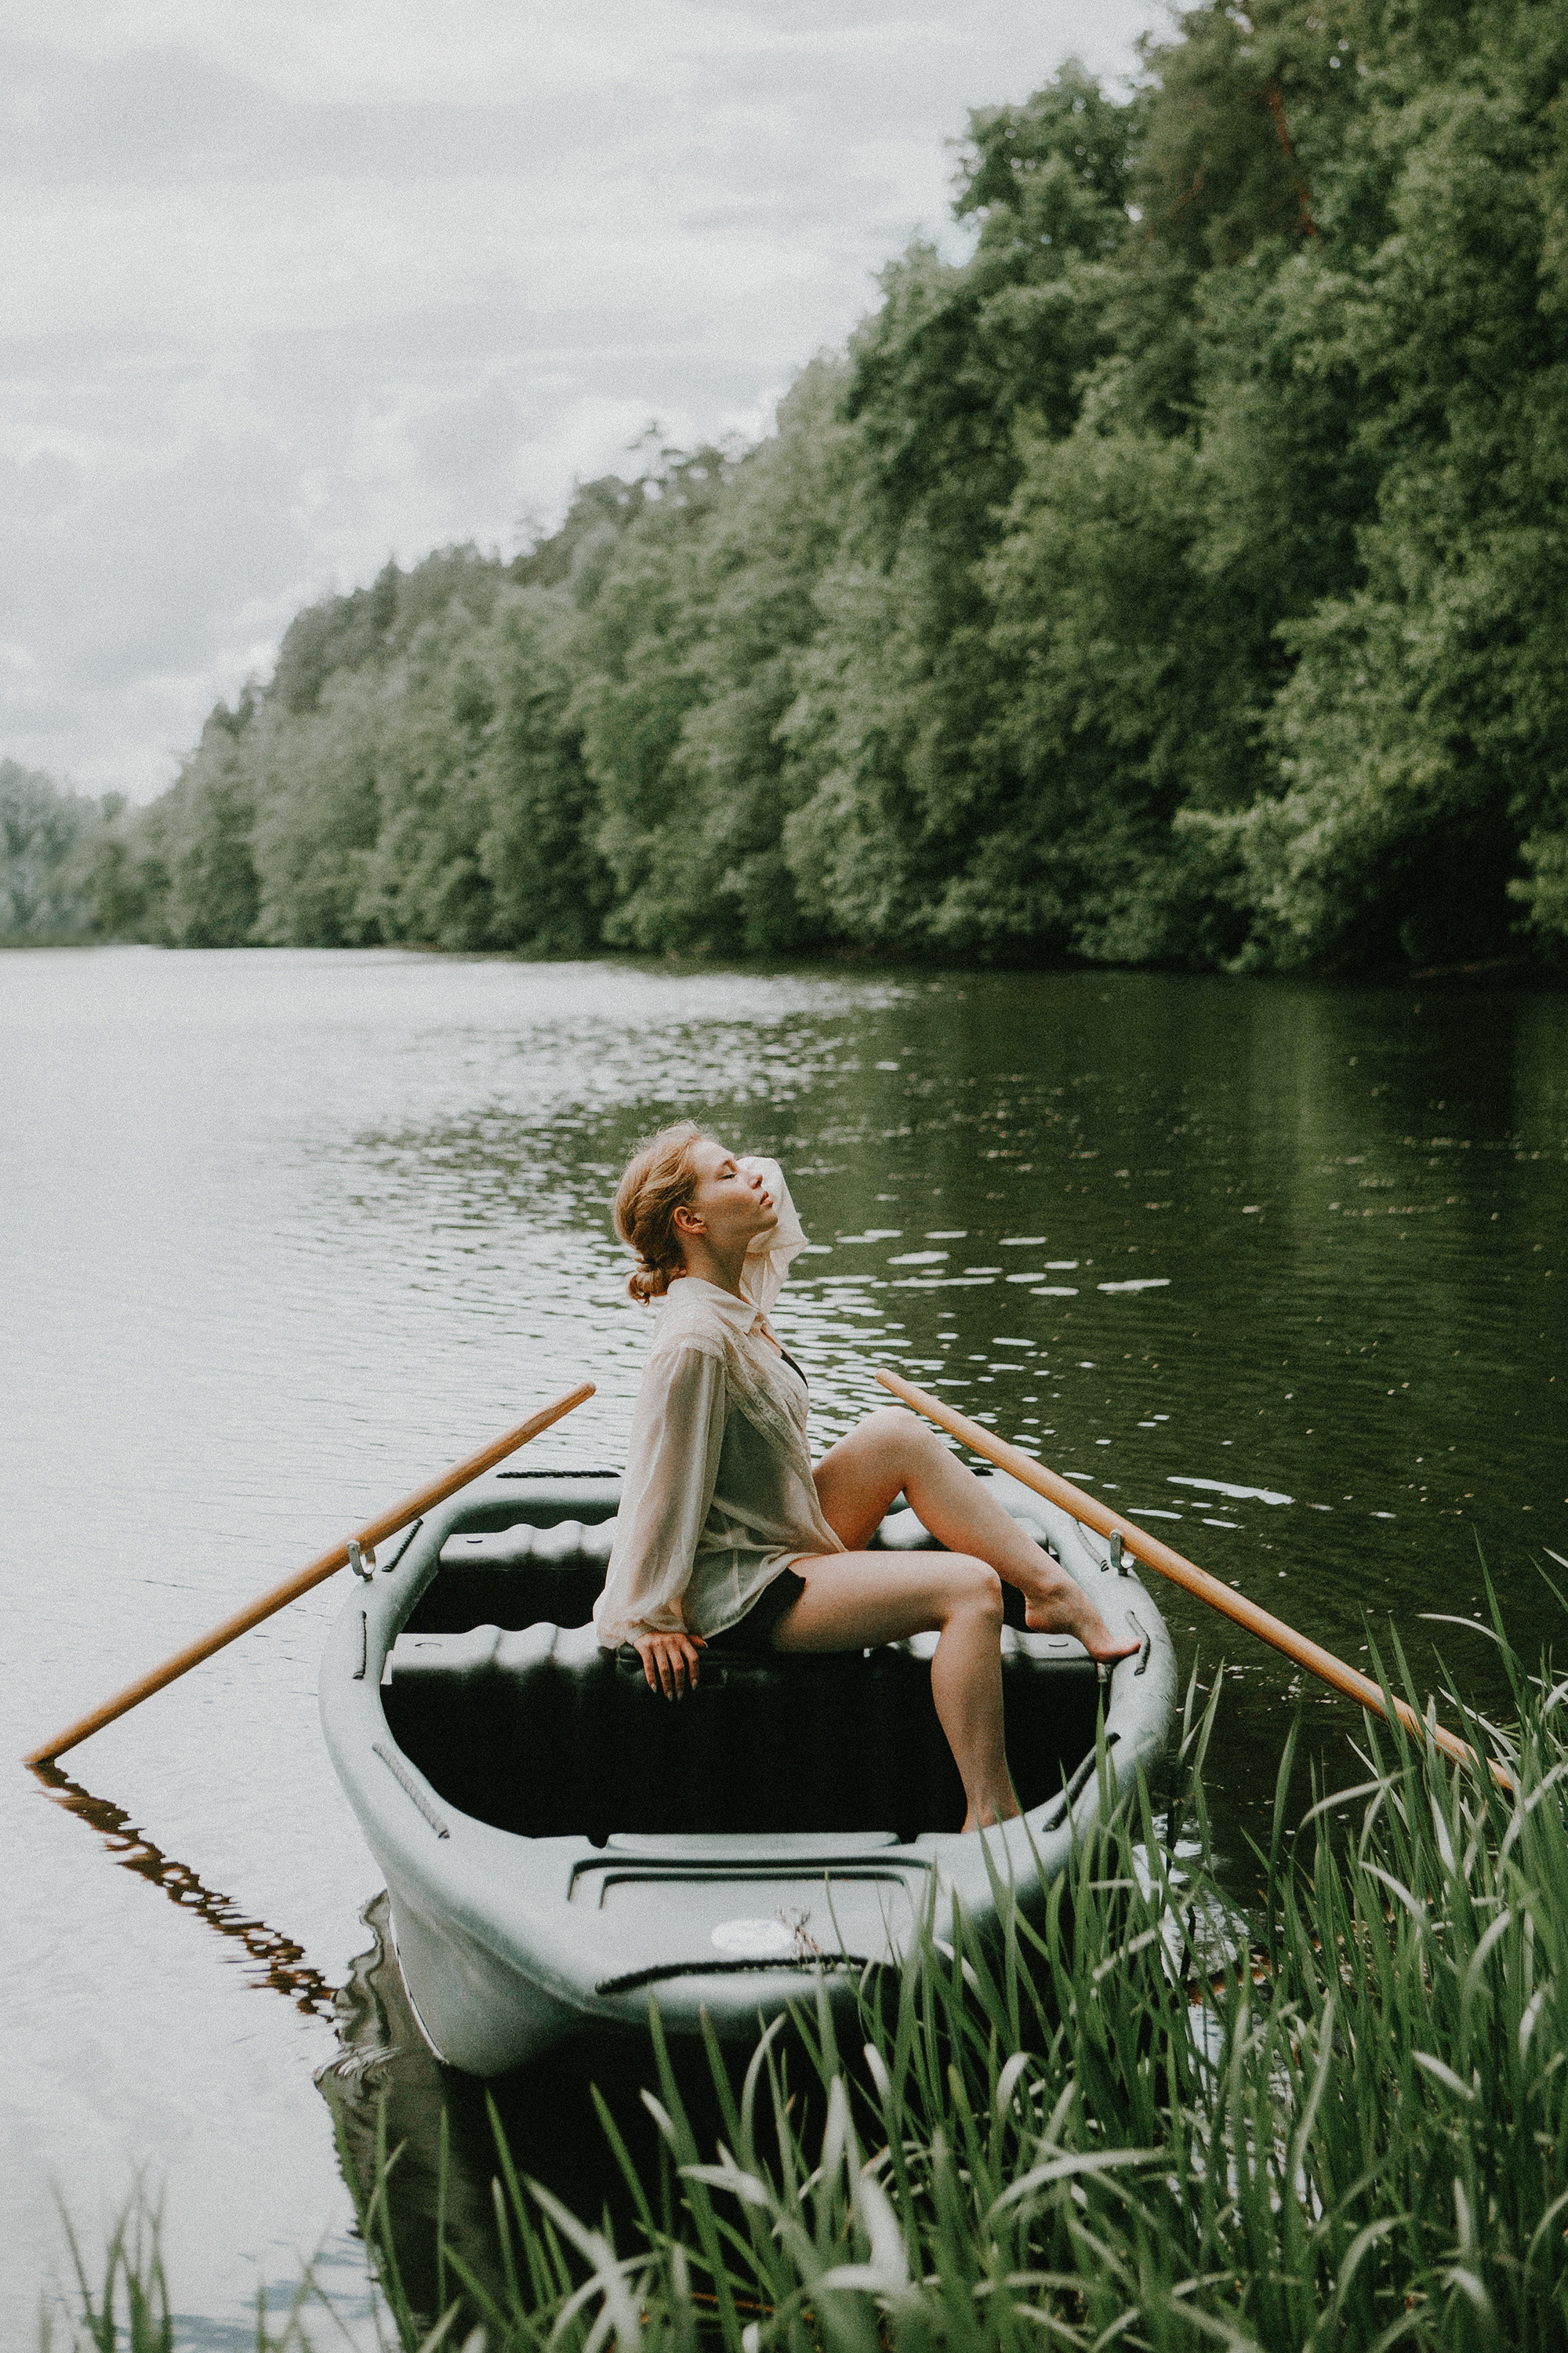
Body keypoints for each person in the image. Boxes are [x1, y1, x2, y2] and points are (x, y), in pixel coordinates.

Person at [593, 1121, 1139, 1832]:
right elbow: (658, 1488)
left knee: (894, 1433)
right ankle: (991, 1811)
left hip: (777, 1529)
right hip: (746, 1587)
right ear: (690, 1221)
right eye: (728, 1173)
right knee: (970, 1589)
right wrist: (646, 1617)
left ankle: (1050, 1592)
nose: (754, 1175)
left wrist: (731, 1174)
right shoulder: (695, 1339)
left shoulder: (733, 1288)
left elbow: (767, 1179)